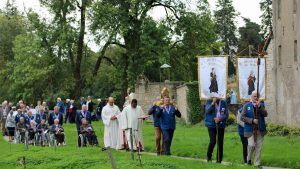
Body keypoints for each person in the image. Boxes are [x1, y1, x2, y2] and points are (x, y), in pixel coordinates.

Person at [241, 91, 268, 167]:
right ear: (251, 97)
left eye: (257, 96)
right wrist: (252, 121)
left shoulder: (261, 105)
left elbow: (265, 114)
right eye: (254, 96)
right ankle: (248, 159)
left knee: (258, 147)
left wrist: (259, 107)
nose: (256, 98)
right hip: (250, 129)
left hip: (260, 129)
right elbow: (242, 117)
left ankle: (257, 163)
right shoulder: (247, 105)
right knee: (251, 145)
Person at [205, 97, 228, 163]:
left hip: (220, 124)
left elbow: (226, 114)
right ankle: (209, 156)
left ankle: (219, 160)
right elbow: (207, 111)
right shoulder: (209, 101)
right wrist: (213, 103)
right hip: (211, 124)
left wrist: (220, 119)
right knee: (213, 141)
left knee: (220, 142)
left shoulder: (223, 102)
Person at [237, 99, 249, 164]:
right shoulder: (240, 111)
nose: (246, 104)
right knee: (245, 145)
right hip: (243, 131)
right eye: (245, 102)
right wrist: (247, 126)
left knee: (250, 145)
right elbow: (239, 121)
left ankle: (249, 159)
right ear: (243, 103)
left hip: (250, 131)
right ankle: (245, 160)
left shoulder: (250, 110)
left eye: (248, 102)